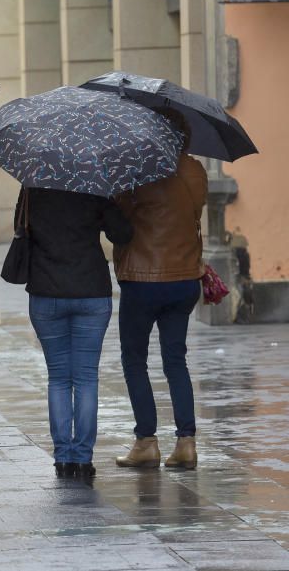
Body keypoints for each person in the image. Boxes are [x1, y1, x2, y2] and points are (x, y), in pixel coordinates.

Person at [18, 186, 133, 479]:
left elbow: (21, 228)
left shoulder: (33, 186)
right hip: (90, 291)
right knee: (85, 377)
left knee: (58, 378)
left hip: (46, 291)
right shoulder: (93, 185)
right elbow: (123, 233)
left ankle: (62, 457)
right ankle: (83, 458)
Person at [114, 113, 206, 471]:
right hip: (185, 278)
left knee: (135, 361)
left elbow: (119, 227)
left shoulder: (138, 172)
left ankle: (146, 442)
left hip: (143, 278)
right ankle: (186, 442)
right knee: (175, 360)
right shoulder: (195, 171)